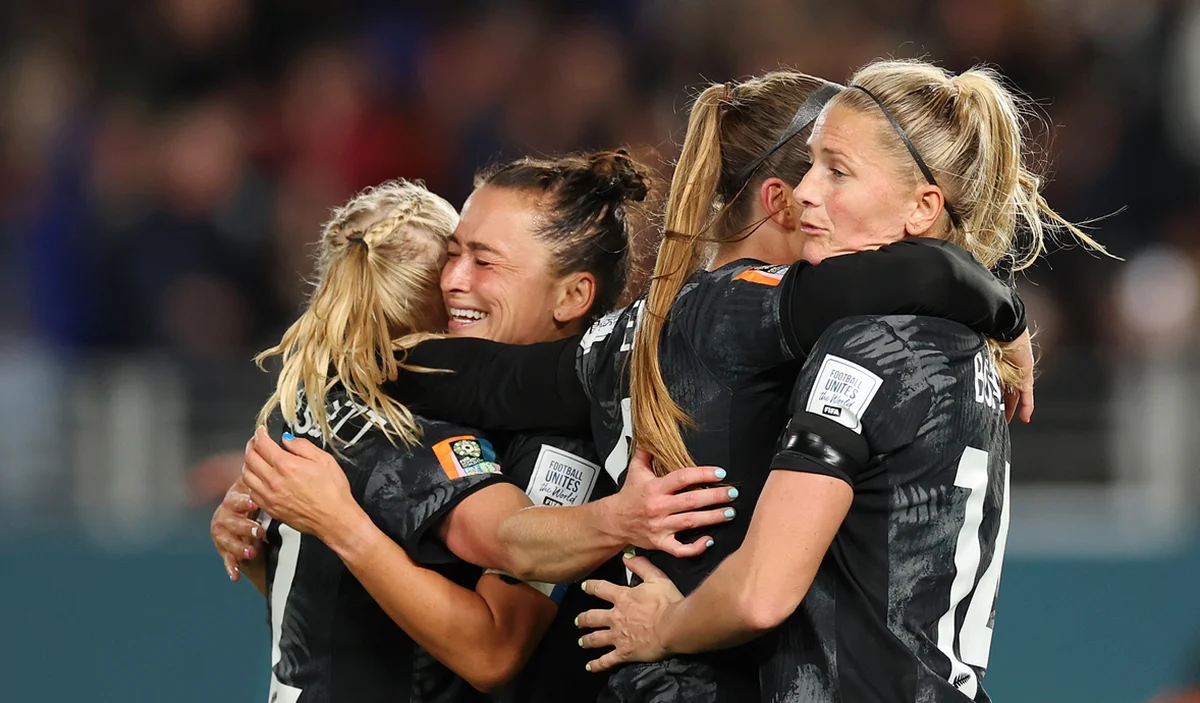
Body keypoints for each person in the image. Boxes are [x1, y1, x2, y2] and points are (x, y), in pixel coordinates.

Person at [242, 69, 1033, 703]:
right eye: (814, 169)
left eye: (840, 170)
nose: (819, 197)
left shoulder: (641, 332)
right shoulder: (813, 325)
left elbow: (492, 382)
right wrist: (1003, 309)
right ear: (776, 198)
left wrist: (346, 367)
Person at [574, 59, 1111, 703]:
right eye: (808, 165)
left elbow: (761, 593)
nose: (805, 192)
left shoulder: (861, 347)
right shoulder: (973, 350)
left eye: (837, 170)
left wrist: (662, 627)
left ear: (922, 207)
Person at [220, 154, 738, 702]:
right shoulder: (415, 391)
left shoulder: (564, 441)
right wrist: (279, 542)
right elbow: (382, 614)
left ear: (572, 296)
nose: (452, 281)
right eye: (452, 254)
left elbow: (492, 649)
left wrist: (341, 525)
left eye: (484, 263)